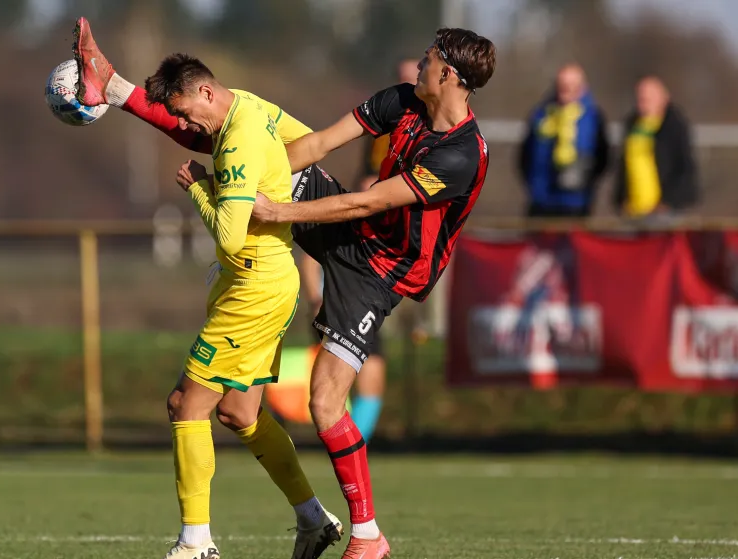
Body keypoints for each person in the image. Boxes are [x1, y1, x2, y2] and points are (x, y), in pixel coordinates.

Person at [72, 18, 495, 559]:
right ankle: (115, 89)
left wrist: (273, 206)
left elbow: (367, 201)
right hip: (348, 229)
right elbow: (316, 143)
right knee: (238, 411)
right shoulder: (402, 100)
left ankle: (367, 535)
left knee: (324, 403)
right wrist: (246, 172)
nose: (420, 62)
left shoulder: (461, 155)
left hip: (382, 272)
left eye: (431, 57)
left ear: (452, 76)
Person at [73, 22, 342, 559]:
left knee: (185, 404)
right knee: (239, 413)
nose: (187, 123)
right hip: (261, 281)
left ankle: (196, 543)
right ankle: (314, 519)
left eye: (188, 111)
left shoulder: (237, 137)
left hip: (255, 286)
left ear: (205, 91)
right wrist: (119, 88)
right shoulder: (244, 106)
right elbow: (295, 138)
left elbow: (228, 236)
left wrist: (201, 187)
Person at [300, 58, 422, 443]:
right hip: (343, 287)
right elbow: (322, 144)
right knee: (327, 396)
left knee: (360, 380)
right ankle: (346, 447)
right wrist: (314, 290)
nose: (412, 81)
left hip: (372, 284)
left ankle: (354, 447)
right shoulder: (389, 116)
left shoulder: (441, 147)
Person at [518, 63, 610, 218]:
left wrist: (587, 182)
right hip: (541, 201)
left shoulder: (594, 117)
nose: (566, 90)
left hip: (576, 203)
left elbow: (603, 157)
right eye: (563, 85)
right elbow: (524, 154)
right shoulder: (541, 114)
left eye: (572, 85)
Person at [614, 75, 699, 221]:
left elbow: (684, 166)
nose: (643, 101)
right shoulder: (632, 125)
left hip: (663, 210)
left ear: (663, 98)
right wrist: (620, 199)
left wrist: (668, 201)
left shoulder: (674, 125)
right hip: (633, 210)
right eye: (640, 97)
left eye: (649, 97)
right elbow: (623, 166)